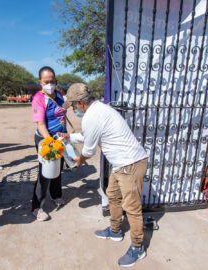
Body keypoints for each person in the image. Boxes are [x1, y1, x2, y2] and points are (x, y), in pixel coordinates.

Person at [59, 83, 148, 267]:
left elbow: (89, 149)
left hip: (130, 163)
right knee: (113, 195)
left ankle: (138, 248)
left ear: (80, 103)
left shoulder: (92, 116)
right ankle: (115, 230)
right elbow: (90, 135)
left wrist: (79, 160)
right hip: (121, 164)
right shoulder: (98, 109)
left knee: (131, 207)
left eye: (73, 106)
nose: (73, 110)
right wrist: (70, 137)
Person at [31, 66, 67, 221]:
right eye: (46, 81)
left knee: (58, 168)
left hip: (59, 139)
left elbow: (63, 113)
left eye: (52, 81)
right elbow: (40, 124)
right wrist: (49, 142)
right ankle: (37, 207)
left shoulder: (59, 94)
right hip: (45, 139)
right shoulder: (39, 98)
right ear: (40, 82)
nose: (50, 84)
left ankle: (56, 194)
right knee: (45, 173)